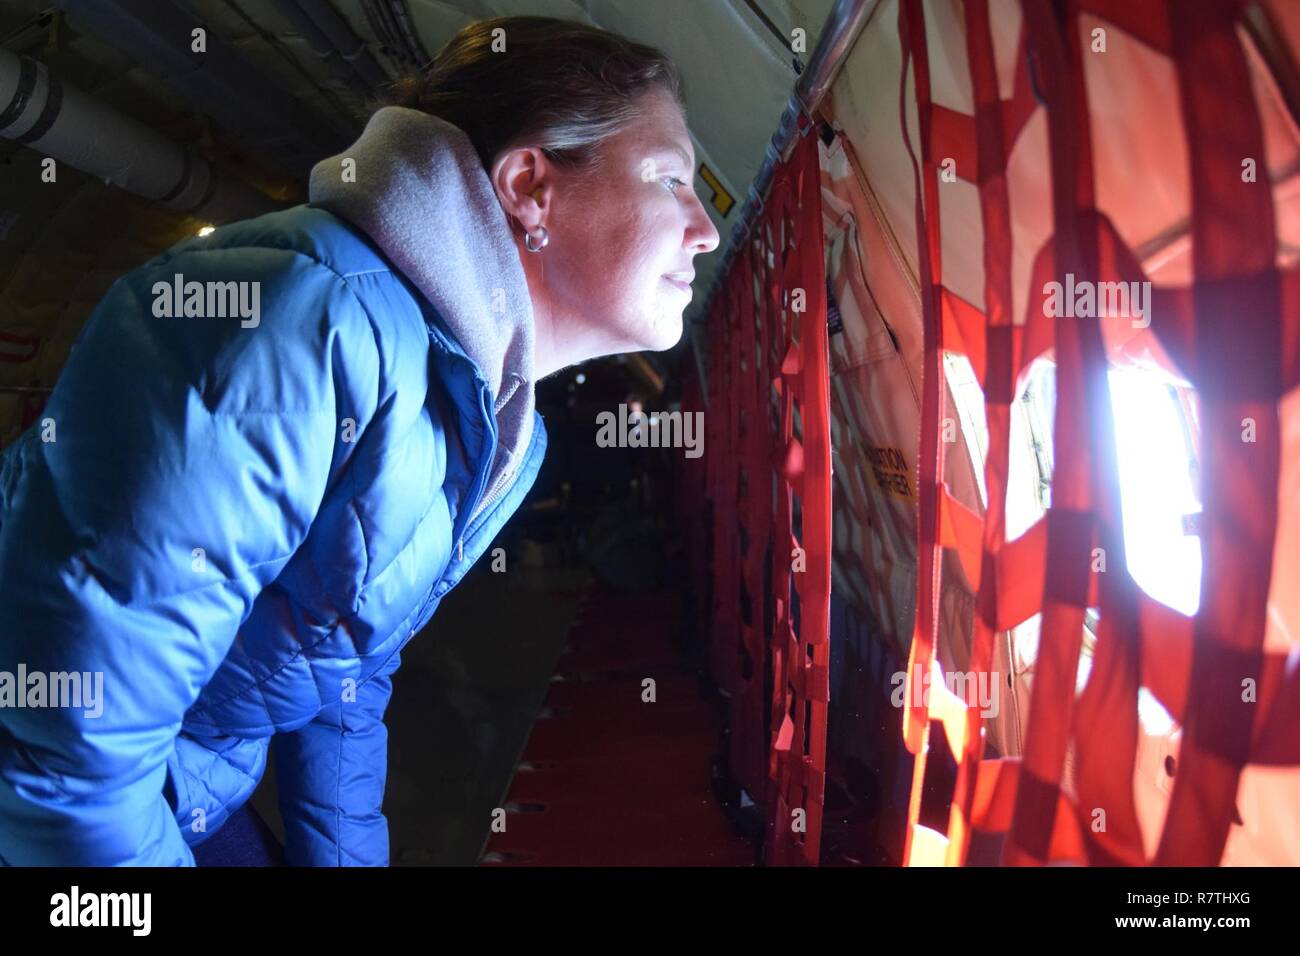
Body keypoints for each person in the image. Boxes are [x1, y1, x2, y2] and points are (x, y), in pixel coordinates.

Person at [0, 14, 719, 866]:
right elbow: (66, 744)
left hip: (179, 781)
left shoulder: (505, 439)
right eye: (672, 180)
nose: (706, 227)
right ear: (531, 186)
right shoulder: (301, 322)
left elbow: (340, 663)